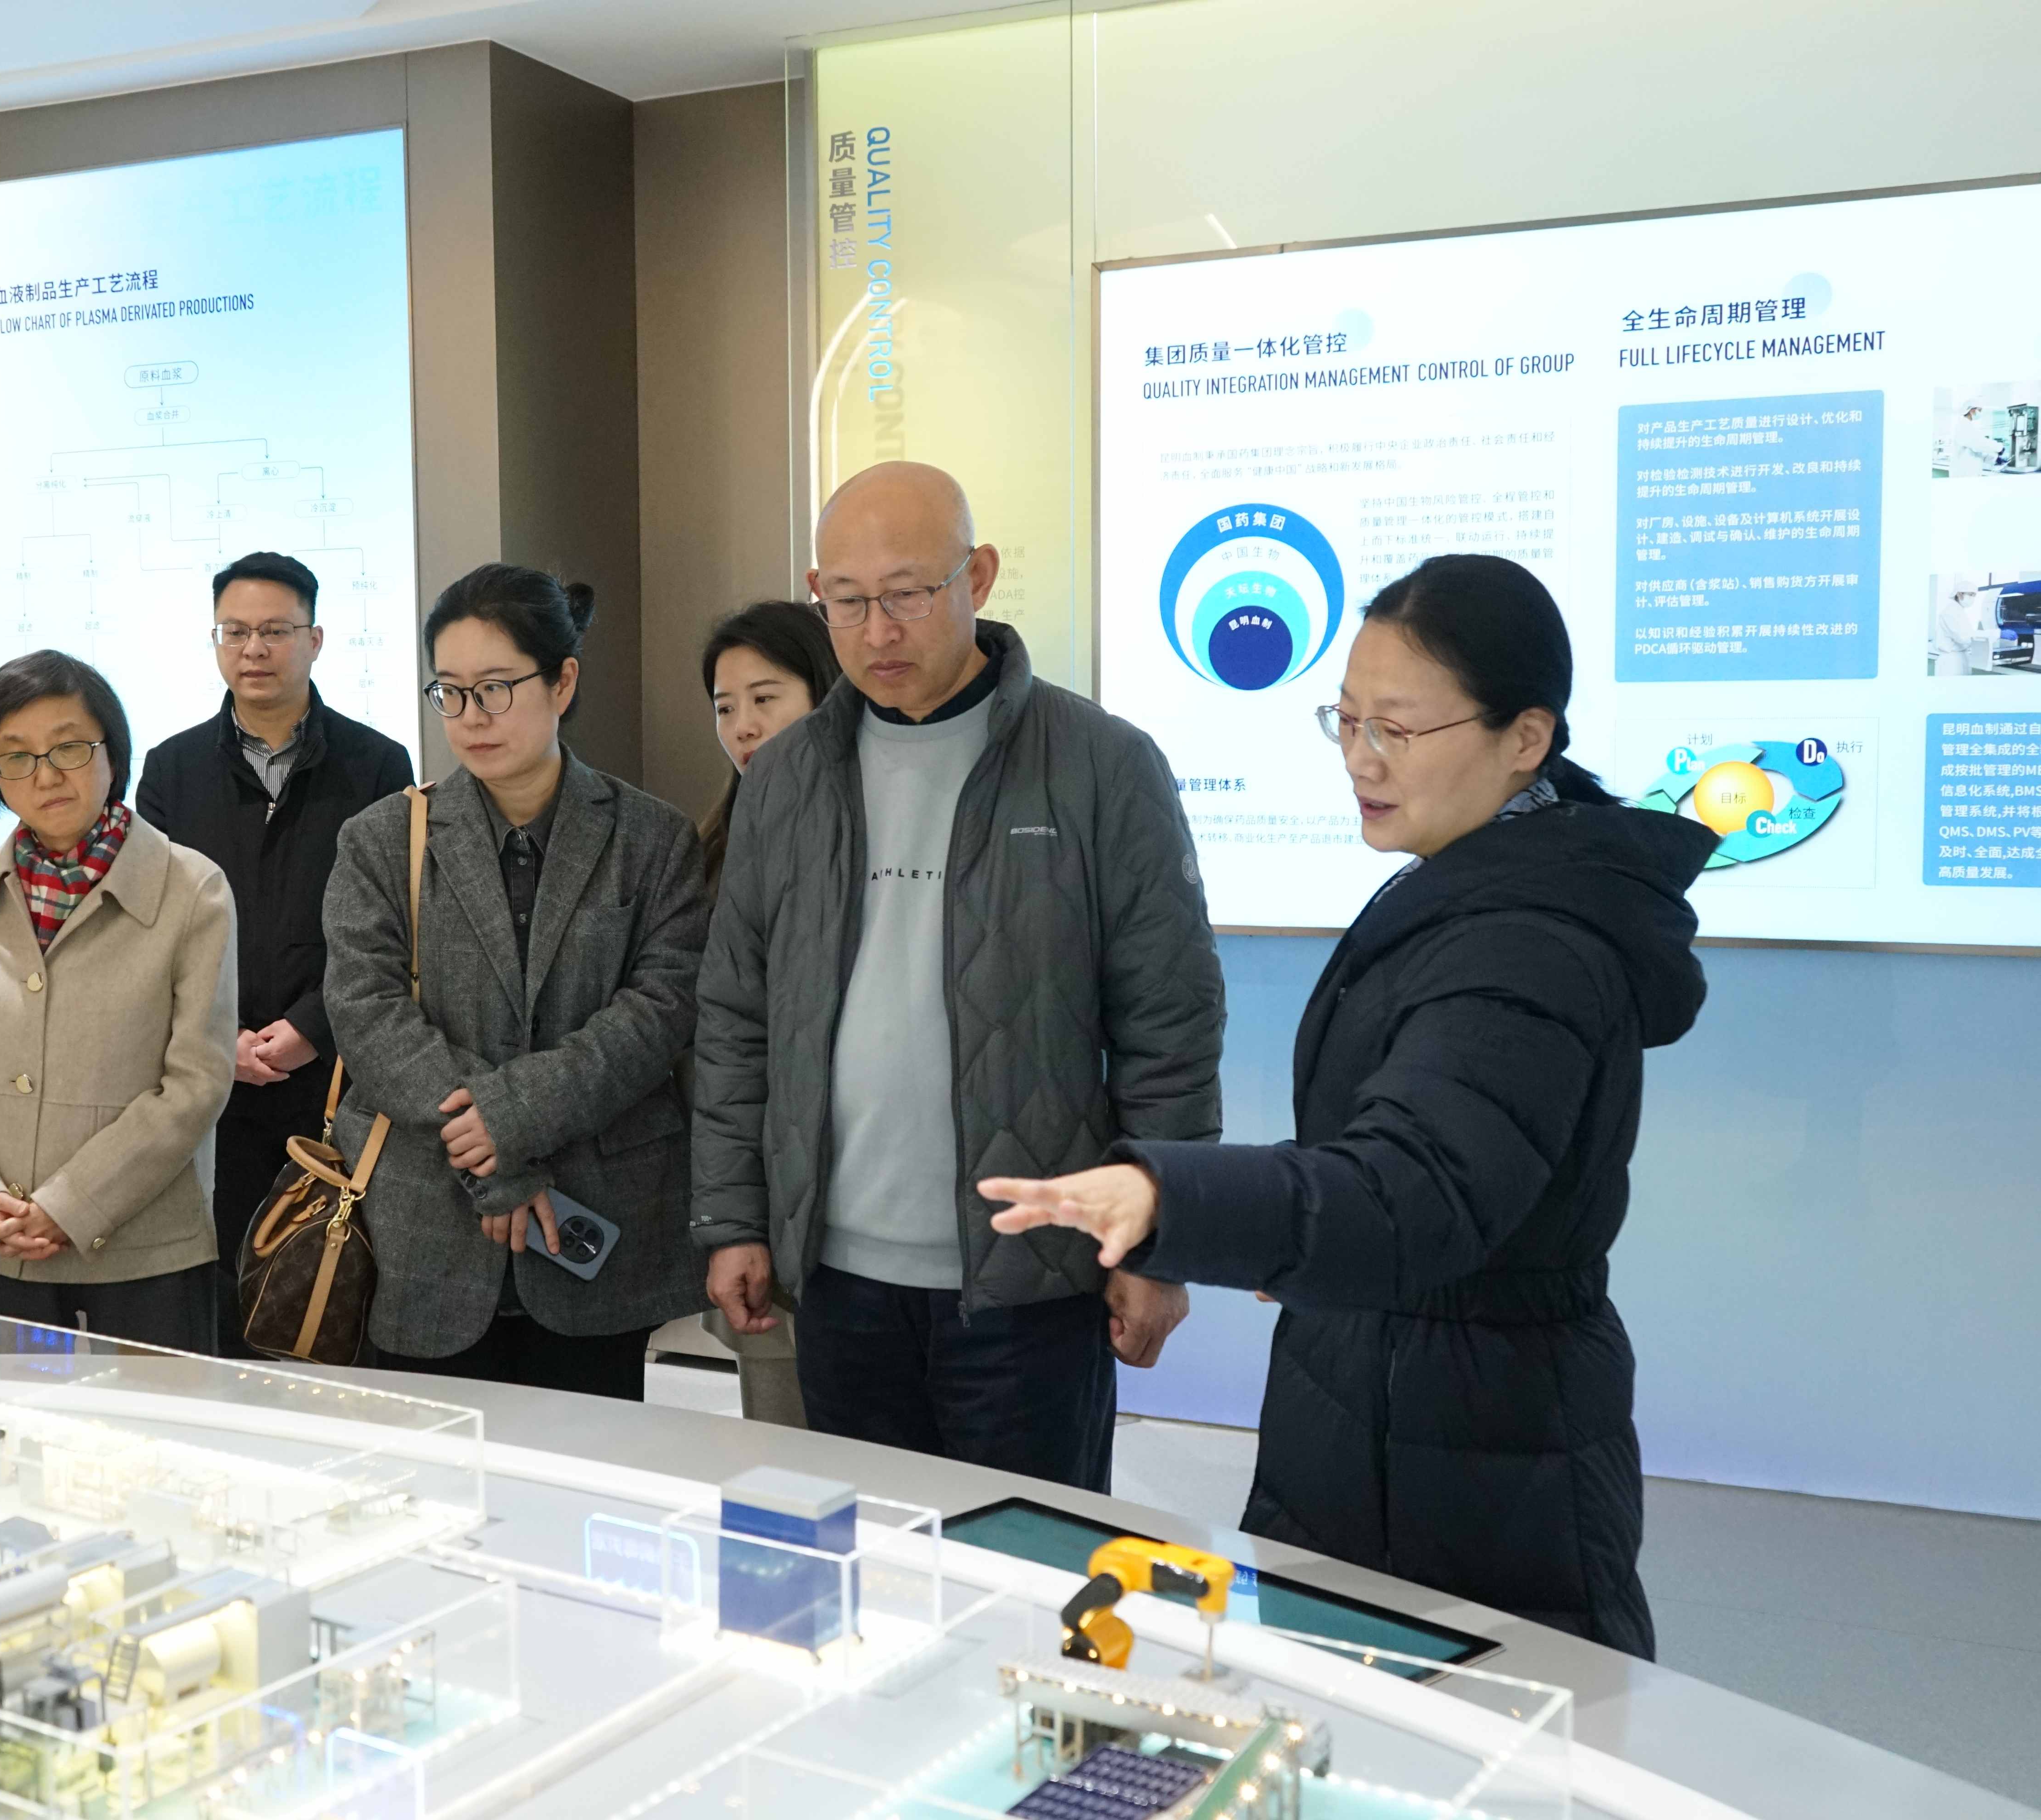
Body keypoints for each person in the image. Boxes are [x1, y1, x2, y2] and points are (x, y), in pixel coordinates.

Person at [981, 553, 1716, 1656]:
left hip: (1470, 1441)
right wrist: (1298, 1234)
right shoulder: (1475, 882)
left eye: (1399, 730)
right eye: (1347, 720)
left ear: (1526, 737)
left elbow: (1414, 1188)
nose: (1362, 758)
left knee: (1481, 1721)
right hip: (1386, 1398)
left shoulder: (1528, 940)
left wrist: (1171, 1195)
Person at [690, 461, 1224, 1492]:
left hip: (1031, 1283)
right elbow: (736, 1018)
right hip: (838, 1279)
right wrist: (733, 1219)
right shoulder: (788, 778)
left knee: (1026, 1561)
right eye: (848, 601)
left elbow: (1169, 1024)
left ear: (976, 576)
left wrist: (1160, 1243)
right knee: (868, 1558)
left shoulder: (1101, 764)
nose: (877, 630)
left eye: (907, 593)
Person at [323, 564, 709, 1396]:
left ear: (562, 681)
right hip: (423, 1230)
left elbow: (659, 1010)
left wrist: (515, 1114)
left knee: (591, 1466)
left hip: (598, 1219)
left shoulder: (653, 840)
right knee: (432, 1469)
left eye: (496, 688)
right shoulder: (381, 840)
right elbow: (367, 1011)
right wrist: (495, 1162)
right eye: (450, 692)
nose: (472, 717)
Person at [0, 651, 238, 1351]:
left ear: (113, 753)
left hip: (146, 1257)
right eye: (16, 757)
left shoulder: (193, 889)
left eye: (69, 748)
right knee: (5, 1423)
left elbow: (197, 1082)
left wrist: (72, 1205)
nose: (46, 776)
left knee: (150, 1422)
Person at [137, 553, 414, 1354]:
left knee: (328, 1295)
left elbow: (394, 926)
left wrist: (309, 1028)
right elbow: (152, 927)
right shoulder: (171, 768)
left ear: (315, 640)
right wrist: (216, 1037)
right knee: (220, 1297)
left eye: (275, 631)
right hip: (208, 1078)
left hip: (333, 1075)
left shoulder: (377, 764)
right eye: (236, 632)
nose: (253, 649)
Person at [692, 601, 841, 1426]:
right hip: (759, 1198)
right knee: (786, 1451)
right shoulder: (714, 845)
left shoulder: (863, 834)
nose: (743, 726)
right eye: (725, 707)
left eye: (765, 698)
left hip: (854, 1206)